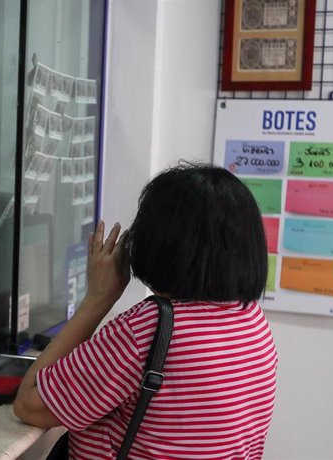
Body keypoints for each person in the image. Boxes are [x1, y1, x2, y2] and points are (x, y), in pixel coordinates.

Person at [14, 163, 278, 459]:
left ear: (158, 241)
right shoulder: (253, 323)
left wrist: (99, 298)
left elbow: (30, 404)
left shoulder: (149, 329)